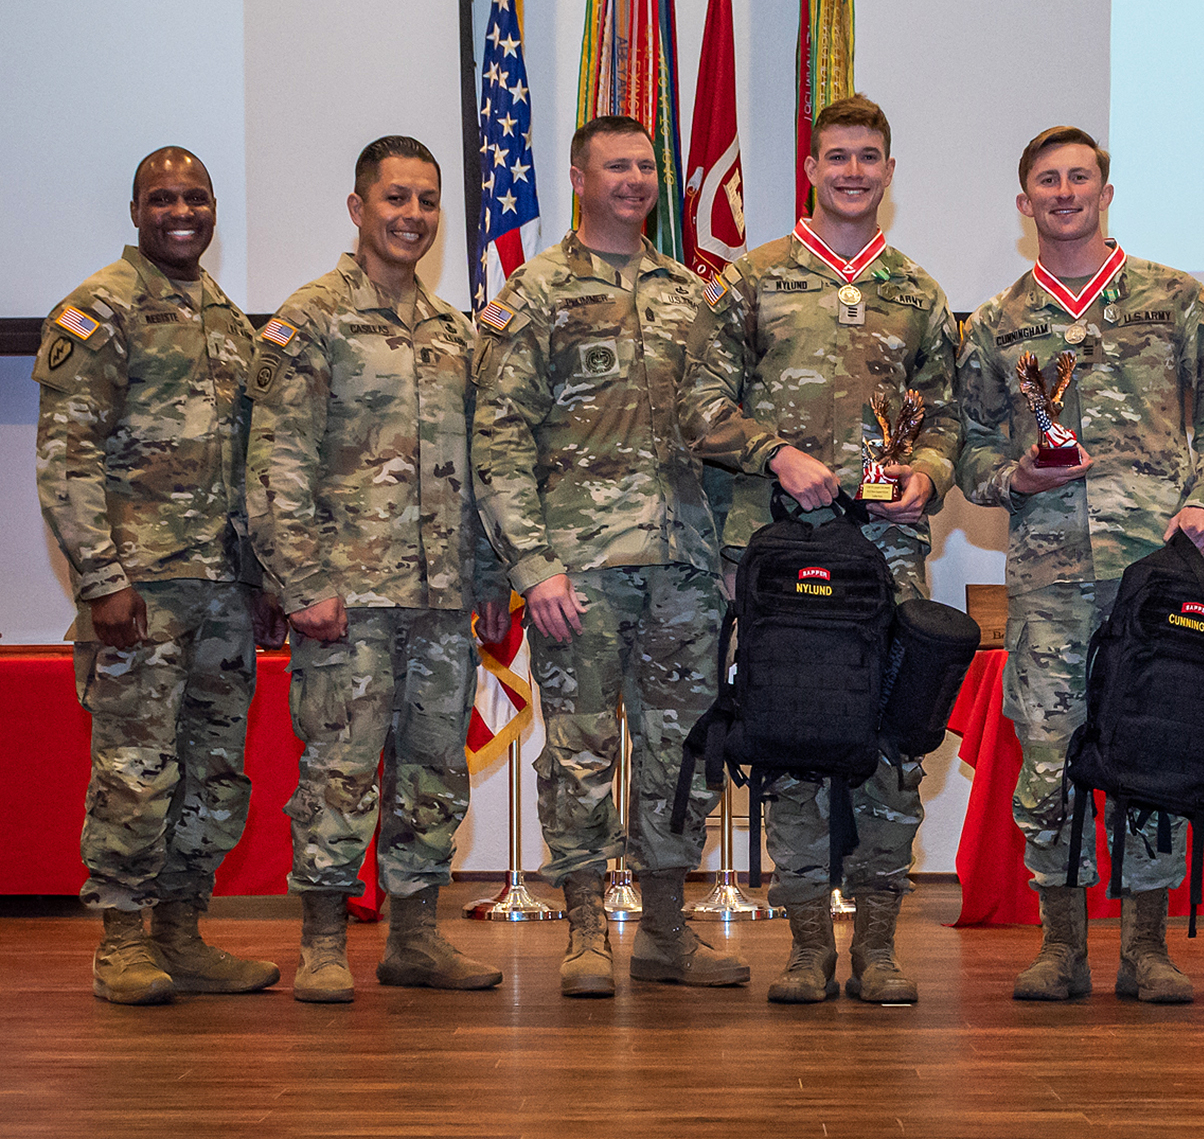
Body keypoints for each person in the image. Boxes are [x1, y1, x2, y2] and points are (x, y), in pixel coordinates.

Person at [956, 125, 1204, 1005]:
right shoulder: (1000, 324)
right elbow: (964, 445)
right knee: (1049, 755)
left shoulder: (1174, 300)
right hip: (1048, 582)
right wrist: (1012, 475)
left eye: (1079, 177)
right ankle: (1060, 945)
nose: (1064, 192)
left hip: (1155, 577)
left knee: (1155, 745)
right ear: (1024, 204)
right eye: (1047, 181)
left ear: (1105, 191)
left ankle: (1148, 948)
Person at [684, 93, 960, 1006]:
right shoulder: (753, 279)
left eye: (868, 157)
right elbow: (698, 404)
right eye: (836, 156)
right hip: (777, 551)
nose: (852, 171)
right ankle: (805, 946)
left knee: (893, 748)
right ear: (810, 169)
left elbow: (949, 414)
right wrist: (776, 453)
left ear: (889, 169)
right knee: (794, 735)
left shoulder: (919, 293)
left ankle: (877, 946)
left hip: (888, 552)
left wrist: (930, 470)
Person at [474, 114, 747, 997]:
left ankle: (667, 930)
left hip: (683, 568)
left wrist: (727, 556)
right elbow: (500, 437)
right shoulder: (537, 291)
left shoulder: (689, 295)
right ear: (579, 178)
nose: (634, 178)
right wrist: (533, 568)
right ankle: (587, 927)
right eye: (615, 165)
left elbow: (721, 429)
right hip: (579, 571)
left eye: (644, 165)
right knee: (583, 750)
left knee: (680, 751)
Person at [245, 136, 510, 1003]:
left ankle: (416, 938)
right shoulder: (312, 318)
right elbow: (277, 462)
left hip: (441, 600)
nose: (413, 217)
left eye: (428, 201)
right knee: (340, 771)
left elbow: (480, 468)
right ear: (358, 209)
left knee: (433, 770)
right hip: (348, 598)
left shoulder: (451, 332)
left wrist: (491, 580)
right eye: (396, 199)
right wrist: (301, 581)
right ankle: (324, 941)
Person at [35, 146, 284, 1005]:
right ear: (136, 211)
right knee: (136, 770)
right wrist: (102, 581)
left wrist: (262, 581)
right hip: (141, 593)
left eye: (197, 197)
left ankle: (182, 934)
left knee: (213, 769)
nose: (182, 210)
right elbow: (65, 457)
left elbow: (252, 465)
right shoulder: (101, 307)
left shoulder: (222, 316)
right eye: (163, 197)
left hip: (220, 592)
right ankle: (121, 944)